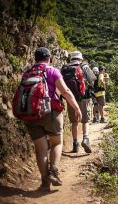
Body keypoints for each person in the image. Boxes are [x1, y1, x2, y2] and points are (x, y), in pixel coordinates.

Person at [24, 47, 82, 191]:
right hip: (51, 112)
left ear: (35, 58)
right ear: (49, 57)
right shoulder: (52, 71)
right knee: (56, 143)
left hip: (31, 114)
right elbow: (65, 91)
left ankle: (45, 182)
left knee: (40, 149)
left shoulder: (27, 72)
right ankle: (54, 172)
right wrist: (76, 108)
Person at [65, 51, 96, 153]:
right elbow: (92, 80)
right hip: (84, 97)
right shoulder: (84, 67)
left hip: (70, 99)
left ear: (71, 58)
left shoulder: (65, 68)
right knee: (85, 120)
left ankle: (75, 144)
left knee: (74, 122)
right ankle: (85, 139)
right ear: (81, 58)